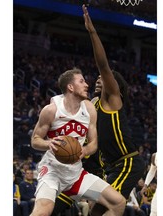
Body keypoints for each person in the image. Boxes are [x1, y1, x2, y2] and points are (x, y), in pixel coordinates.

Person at [30, 68, 126, 216]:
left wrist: (85, 151)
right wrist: (49, 143)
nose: (87, 85)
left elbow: (94, 143)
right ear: (70, 87)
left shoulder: (89, 109)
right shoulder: (51, 110)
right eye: (81, 81)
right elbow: (35, 140)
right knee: (43, 211)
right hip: (52, 172)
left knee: (118, 203)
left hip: (76, 176)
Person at [82, 4, 146, 214]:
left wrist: (92, 32)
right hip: (110, 167)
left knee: (102, 210)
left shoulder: (112, 100)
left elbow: (103, 65)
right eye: (98, 78)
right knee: (99, 210)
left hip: (127, 162)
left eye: (105, 78)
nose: (99, 78)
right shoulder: (94, 104)